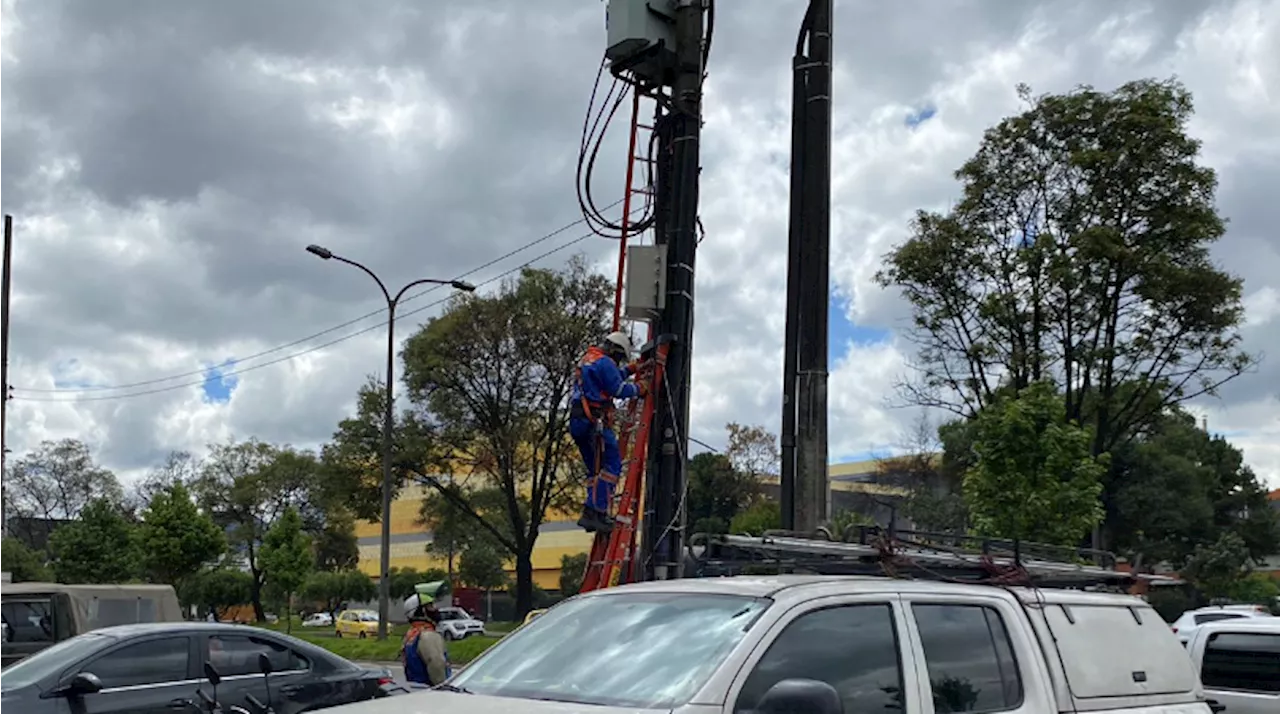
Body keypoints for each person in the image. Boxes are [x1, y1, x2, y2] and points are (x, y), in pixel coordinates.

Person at [570, 330, 646, 534]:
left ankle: (590, 512)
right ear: (614, 350)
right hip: (593, 422)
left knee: (594, 470)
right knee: (611, 465)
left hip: (579, 421)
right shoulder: (604, 362)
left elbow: (610, 378)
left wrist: (630, 369)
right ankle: (598, 511)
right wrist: (640, 388)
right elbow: (618, 389)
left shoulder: (589, 359)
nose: (618, 362)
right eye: (620, 358)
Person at [400, 605, 449, 688]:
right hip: (430, 692)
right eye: (430, 606)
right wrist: (443, 689)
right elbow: (436, 664)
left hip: (416, 689)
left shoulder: (412, 635)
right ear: (422, 611)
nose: (436, 609)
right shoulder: (428, 635)